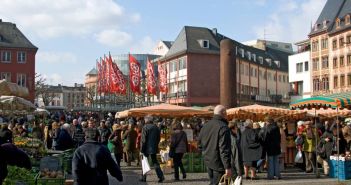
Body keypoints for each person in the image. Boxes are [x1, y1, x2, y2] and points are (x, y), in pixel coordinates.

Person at [198, 105, 232, 185]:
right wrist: (227, 167)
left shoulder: (205, 125)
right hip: (219, 163)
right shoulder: (223, 127)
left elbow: (199, 144)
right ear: (223, 113)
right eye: (226, 113)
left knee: (213, 182)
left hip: (208, 160)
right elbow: (224, 149)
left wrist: (205, 155)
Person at [140, 115, 165, 183]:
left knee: (144, 162)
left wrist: (141, 150)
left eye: (145, 119)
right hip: (153, 147)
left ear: (147, 120)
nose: (144, 121)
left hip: (146, 148)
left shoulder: (145, 127)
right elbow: (158, 138)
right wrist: (155, 145)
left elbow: (143, 140)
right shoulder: (156, 127)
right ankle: (161, 176)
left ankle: (143, 177)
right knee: (155, 162)